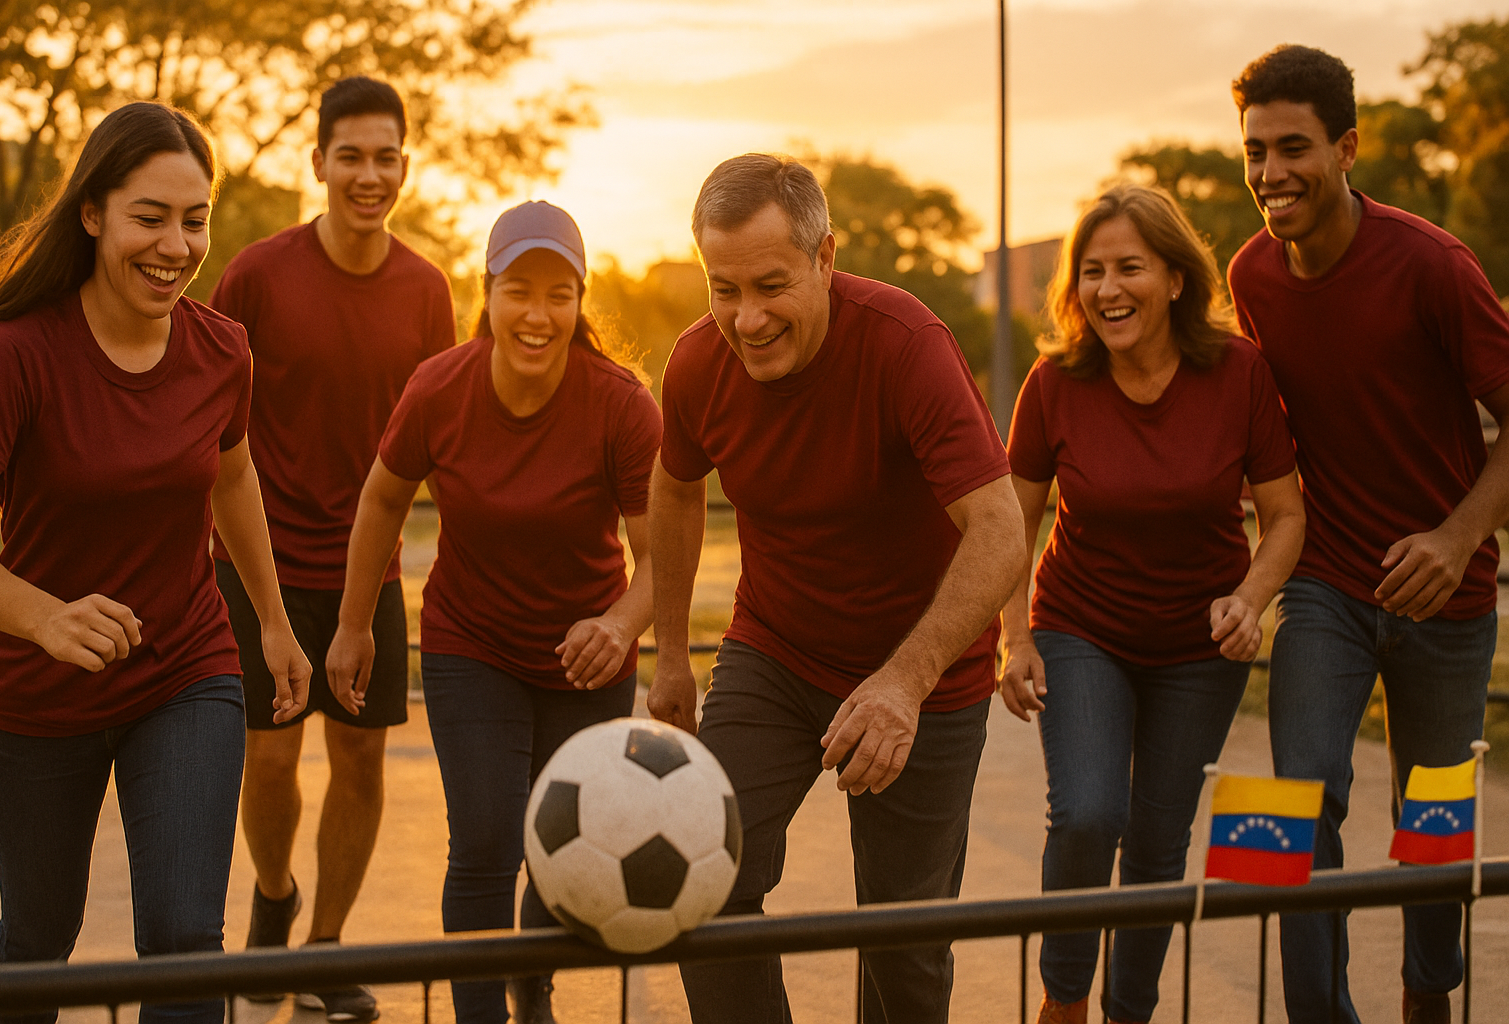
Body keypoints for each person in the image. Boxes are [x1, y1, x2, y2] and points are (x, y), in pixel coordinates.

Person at [647, 153, 1027, 1024]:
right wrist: (669, 655)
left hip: (927, 674)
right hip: (777, 651)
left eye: (772, 284)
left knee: (904, 949)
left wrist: (904, 681)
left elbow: (1001, 526)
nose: (747, 319)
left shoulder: (906, 345)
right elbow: (672, 486)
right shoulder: (698, 365)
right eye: (723, 289)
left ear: (826, 260)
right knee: (703, 867)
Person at [0, 101, 311, 1024]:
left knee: (183, 938)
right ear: (93, 214)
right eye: (149, 217)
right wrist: (45, 617)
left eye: (194, 219)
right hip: (37, 696)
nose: (176, 244)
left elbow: (234, 482)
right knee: (39, 941)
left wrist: (273, 623)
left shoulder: (220, 350)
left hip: (185, 671)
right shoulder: (17, 353)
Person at [1227, 45, 1509, 1024]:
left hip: (1450, 596)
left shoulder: (1435, 265)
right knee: (1289, 803)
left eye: (1293, 147)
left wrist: (1459, 534)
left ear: (1348, 147)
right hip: (1326, 582)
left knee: (1433, 822)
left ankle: (1429, 998)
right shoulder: (1250, 274)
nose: (1270, 173)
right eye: (1254, 150)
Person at [325, 200, 660, 1024]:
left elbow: (666, 559)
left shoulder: (620, 404)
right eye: (519, 289)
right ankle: (479, 1014)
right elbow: (380, 500)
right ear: (489, 292)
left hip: (587, 658)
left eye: (559, 293)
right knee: (483, 841)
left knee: (558, 848)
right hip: (469, 643)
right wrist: (353, 624)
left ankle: (532, 989)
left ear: (581, 302)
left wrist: (619, 626)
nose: (537, 314)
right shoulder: (440, 386)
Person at [998, 183, 1305, 1024]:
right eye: (1091, 271)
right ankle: (1064, 1000)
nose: (1108, 289)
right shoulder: (1055, 381)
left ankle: (1131, 1010)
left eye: (1129, 267)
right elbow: (1011, 522)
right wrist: (1013, 639)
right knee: (1091, 811)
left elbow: (1284, 516)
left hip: (1198, 648)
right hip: (1080, 626)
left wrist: (1251, 598)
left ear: (1174, 278)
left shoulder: (1238, 372)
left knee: (1160, 844)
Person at [208, 76, 455, 1023]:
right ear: (317, 163)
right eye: (349, 155)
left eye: (385, 156)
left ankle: (324, 948)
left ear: (404, 163)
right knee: (268, 766)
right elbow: (212, 428)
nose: (368, 173)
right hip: (257, 567)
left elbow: (434, 444)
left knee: (358, 765)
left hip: (370, 576)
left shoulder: (428, 291)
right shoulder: (258, 276)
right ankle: (274, 897)